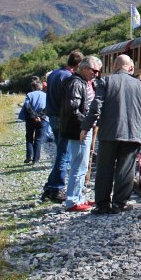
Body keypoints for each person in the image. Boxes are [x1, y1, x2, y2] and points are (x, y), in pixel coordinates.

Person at [82, 55, 141, 215]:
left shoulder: (105, 82)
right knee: (126, 170)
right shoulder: (140, 86)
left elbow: (96, 106)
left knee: (104, 169)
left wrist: (85, 127)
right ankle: (119, 204)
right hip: (132, 133)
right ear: (131, 68)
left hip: (109, 133)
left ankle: (102, 205)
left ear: (115, 67)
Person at [41, 50, 83, 202]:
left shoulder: (53, 74)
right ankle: (57, 188)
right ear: (78, 65)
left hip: (52, 116)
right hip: (62, 117)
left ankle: (50, 186)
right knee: (64, 155)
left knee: (61, 153)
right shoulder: (68, 77)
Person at [61, 56, 101, 212]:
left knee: (82, 164)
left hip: (83, 128)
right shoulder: (76, 83)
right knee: (79, 164)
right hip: (79, 130)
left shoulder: (84, 82)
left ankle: (79, 197)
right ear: (84, 68)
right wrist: (87, 124)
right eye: (94, 71)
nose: (96, 74)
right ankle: (72, 201)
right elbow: (73, 109)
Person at [18, 79, 47, 165]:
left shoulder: (29, 95)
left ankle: (29, 156)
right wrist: (39, 116)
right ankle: (36, 160)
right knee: (38, 139)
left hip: (30, 119)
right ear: (41, 87)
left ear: (32, 87)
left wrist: (34, 116)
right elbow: (47, 107)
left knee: (29, 137)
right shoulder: (46, 95)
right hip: (43, 119)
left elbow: (27, 105)